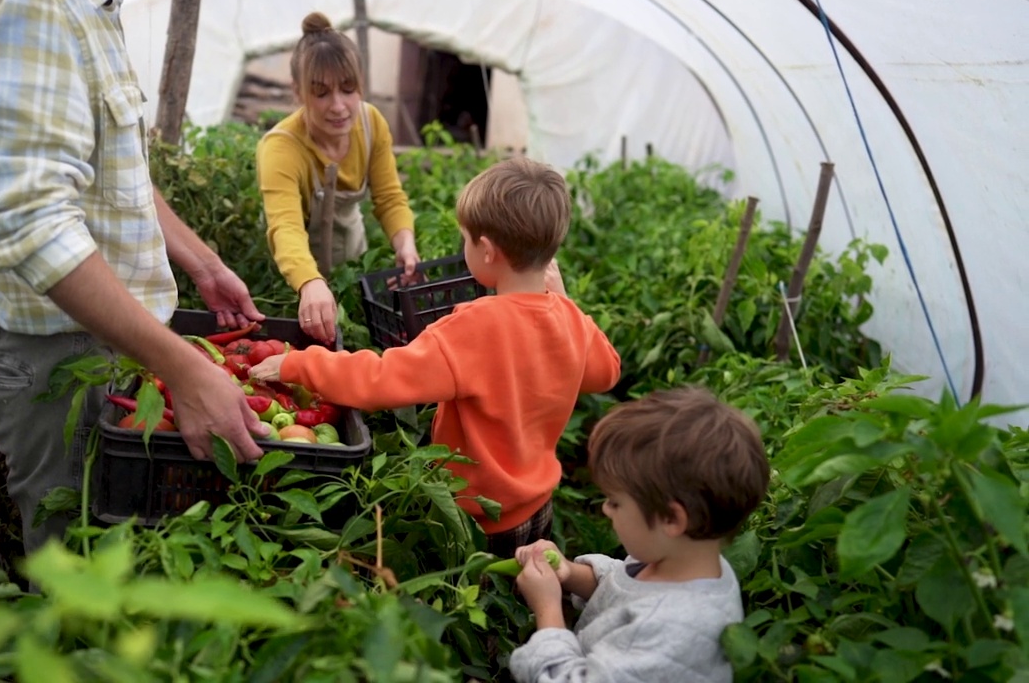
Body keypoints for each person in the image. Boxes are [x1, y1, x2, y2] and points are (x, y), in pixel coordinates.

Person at [0, 0, 270, 555]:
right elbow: (30, 221)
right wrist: (185, 372)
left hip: (88, 340)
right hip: (50, 357)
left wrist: (204, 264)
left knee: (98, 550)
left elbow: (111, 172)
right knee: (75, 572)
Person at [250, 158, 622, 556]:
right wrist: (564, 301)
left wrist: (298, 363)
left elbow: (382, 379)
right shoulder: (568, 319)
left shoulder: (473, 328)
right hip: (536, 508)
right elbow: (606, 372)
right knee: (525, 595)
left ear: (487, 251)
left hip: (473, 518)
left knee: (468, 588)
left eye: (465, 239)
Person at [509, 387, 771, 683]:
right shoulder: (681, 559)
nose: (606, 509)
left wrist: (548, 612)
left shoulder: (672, 632)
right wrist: (568, 572)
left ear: (671, 519)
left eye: (616, 502)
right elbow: (625, 587)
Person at [256, 11, 421, 345]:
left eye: (348, 89)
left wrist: (405, 243)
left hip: (352, 259)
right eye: (321, 93)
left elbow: (389, 197)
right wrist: (308, 283)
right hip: (291, 278)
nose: (339, 106)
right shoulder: (281, 147)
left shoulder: (371, 124)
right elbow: (285, 227)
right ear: (299, 92)